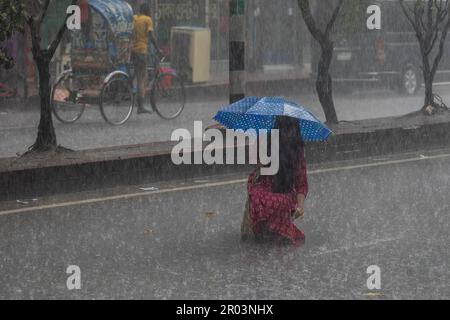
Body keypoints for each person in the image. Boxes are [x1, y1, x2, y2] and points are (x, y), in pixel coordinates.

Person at [241, 116, 308, 246]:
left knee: (275, 200)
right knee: (264, 198)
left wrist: (300, 206)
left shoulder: (295, 150)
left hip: (282, 189)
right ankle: (269, 231)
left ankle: (271, 231)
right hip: (271, 187)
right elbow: (256, 163)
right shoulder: (269, 140)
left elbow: (301, 181)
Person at [131, 3, 162, 113]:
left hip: (133, 51)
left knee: (140, 75)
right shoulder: (147, 20)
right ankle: (140, 106)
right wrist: (158, 48)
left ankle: (137, 96)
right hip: (141, 51)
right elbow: (151, 35)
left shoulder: (134, 18)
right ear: (148, 10)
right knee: (141, 78)